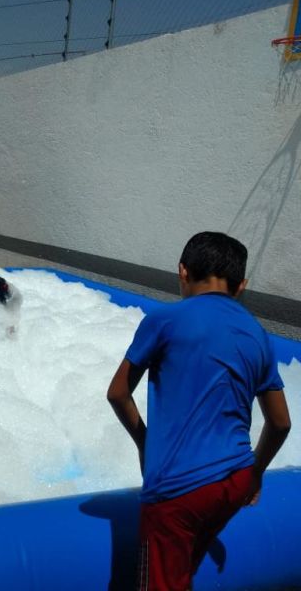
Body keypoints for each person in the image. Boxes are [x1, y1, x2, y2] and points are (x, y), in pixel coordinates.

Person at [106, 231, 291, 590]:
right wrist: (255, 472)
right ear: (241, 287)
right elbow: (281, 423)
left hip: (179, 486)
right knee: (182, 572)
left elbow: (117, 393)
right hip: (234, 479)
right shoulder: (257, 334)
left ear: (182, 271)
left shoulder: (165, 320)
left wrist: (146, 443)